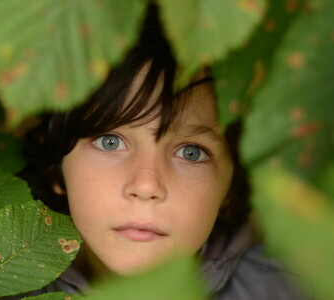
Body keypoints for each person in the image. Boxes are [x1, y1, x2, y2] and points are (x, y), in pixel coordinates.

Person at [15, 4, 310, 299]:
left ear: (231, 185)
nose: (146, 186)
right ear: (56, 161)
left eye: (192, 153)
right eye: (110, 142)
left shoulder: (294, 290)